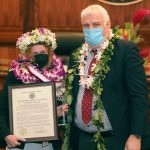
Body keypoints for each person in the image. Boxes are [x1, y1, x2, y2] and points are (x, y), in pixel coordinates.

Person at [62, 4, 150, 150]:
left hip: (117, 138)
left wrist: (136, 135)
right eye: (86, 25)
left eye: (96, 24)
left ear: (107, 25)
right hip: (83, 139)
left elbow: (139, 96)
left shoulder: (125, 51)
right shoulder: (76, 55)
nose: (90, 29)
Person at [0, 28, 68, 150]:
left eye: (43, 52)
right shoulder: (15, 75)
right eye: (35, 54)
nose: (40, 56)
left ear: (50, 54)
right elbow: (2, 109)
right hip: (21, 144)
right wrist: (6, 135)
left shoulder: (60, 77)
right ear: (28, 56)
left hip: (50, 145)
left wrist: (56, 113)